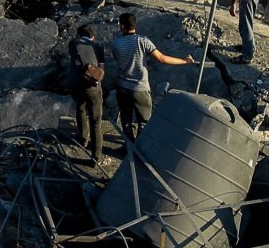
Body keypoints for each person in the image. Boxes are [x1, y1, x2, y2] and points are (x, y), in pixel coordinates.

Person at [111, 12, 192, 141]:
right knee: (144, 121)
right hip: (140, 88)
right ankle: (141, 148)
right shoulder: (143, 41)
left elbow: (117, 59)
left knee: (126, 119)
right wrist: (184, 61)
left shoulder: (115, 44)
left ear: (122, 26)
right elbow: (162, 59)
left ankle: (128, 146)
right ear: (134, 25)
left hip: (122, 86)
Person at [68, 25, 107, 163]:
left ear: (79, 35)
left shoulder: (73, 43)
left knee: (80, 108)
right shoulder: (99, 46)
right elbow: (101, 70)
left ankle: (83, 138)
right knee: (96, 121)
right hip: (93, 87)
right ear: (92, 36)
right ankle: (97, 156)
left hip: (75, 85)